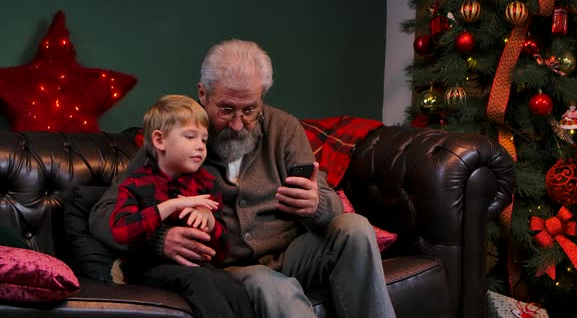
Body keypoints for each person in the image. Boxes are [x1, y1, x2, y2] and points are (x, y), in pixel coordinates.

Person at [90, 39, 396, 318]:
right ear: (202, 94)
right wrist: (161, 240)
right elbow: (103, 214)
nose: (238, 124)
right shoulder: (177, 138)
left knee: (355, 227)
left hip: (294, 253)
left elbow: (329, 205)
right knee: (271, 285)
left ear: (262, 100)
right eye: (226, 109)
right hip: (232, 267)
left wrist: (316, 203)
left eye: (250, 110)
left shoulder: (284, 129)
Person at [109, 94, 255, 318]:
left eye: (204, 140)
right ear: (160, 141)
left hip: (198, 266)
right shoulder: (136, 183)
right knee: (197, 278)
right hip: (147, 268)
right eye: (190, 137)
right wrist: (170, 206)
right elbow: (121, 230)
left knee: (231, 285)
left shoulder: (206, 183)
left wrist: (210, 222)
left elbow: (222, 252)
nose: (200, 147)